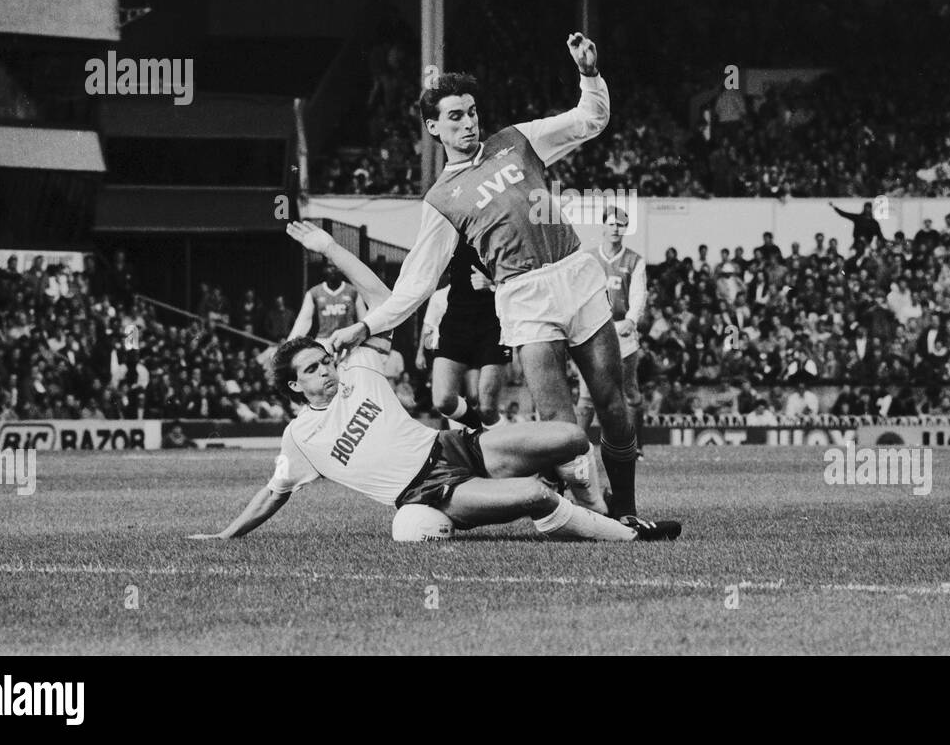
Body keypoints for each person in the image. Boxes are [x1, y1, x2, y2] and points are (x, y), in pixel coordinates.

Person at [339, 33, 661, 530]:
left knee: (611, 401)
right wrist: (365, 328)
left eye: (471, 111)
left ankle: (627, 507)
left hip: (574, 274)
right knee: (561, 429)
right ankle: (591, 517)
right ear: (433, 128)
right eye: (455, 116)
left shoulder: (517, 139)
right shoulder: (441, 200)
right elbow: (415, 285)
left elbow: (590, 119)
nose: (468, 122)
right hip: (523, 297)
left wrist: (589, 73)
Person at [188, 222, 679, 543]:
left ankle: (561, 482)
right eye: (314, 369)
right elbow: (272, 494)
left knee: (571, 437)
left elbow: (382, 297)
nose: (327, 369)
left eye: (325, 361)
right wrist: (225, 535)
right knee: (533, 496)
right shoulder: (300, 439)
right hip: (426, 492)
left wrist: (333, 248)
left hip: (455, 446)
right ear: (295, 388)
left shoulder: (358, 370)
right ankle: (627, 533)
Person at [577, 206, 647, 459]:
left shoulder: (634, 260)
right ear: (603, 227)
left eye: (621, 224)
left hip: (622, 329)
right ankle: (577, 448)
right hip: (594, 329)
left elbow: (639, 294)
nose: (616, 228)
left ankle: (635, 446)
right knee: (586, 394)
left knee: (628, 390)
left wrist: (631, 319)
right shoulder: (588, 258)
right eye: (612, 223)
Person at [419, 240, 509, 430]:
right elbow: (428, 326)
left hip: (492, 324)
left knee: (486, 406)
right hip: (456, 323)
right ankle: (477, 436)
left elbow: (523, 275)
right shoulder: (450, 229)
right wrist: (422, 351)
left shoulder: (500, 231)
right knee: (443, 400)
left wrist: (493, 286)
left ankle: (507, 447)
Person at [287, 260, 367, 341]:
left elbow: (364, 320)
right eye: (330, 266)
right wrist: (290, 343)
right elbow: (304, 321)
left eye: (336, 266)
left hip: (347, 339)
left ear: (342, 269)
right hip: (324, 339)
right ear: (324, 269)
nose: (333, 269)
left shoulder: (354, 291)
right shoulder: (314, 292)